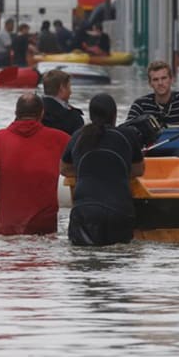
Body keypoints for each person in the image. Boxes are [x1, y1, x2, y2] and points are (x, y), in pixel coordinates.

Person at [0, 93, 70, 235]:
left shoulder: (0, 138)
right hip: (43, 227)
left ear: (16, 113)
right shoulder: (60, 139)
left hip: (7, 227)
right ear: (41, 113)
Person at [62, 93, 145, 246]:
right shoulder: (127, 135)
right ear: (114, 116)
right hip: (119, 212)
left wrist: (87, 170)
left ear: (91, 115)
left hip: (83, 213)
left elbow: (64, 169)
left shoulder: (78, 136)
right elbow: (139, 170)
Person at [40, 69, 84, 135]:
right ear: (62, 88)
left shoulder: (32, 112)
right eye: (69, 87)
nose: (71, 92)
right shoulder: (73, 117)